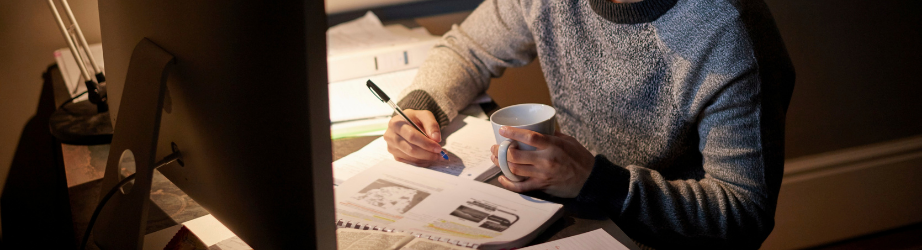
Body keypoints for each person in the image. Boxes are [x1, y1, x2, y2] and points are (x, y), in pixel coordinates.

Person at [382, 0, 795, 248]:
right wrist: (422, 106)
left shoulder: (728, 29)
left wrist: (601, 184)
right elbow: (470, 48)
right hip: (569, 215)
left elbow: (744, 216)